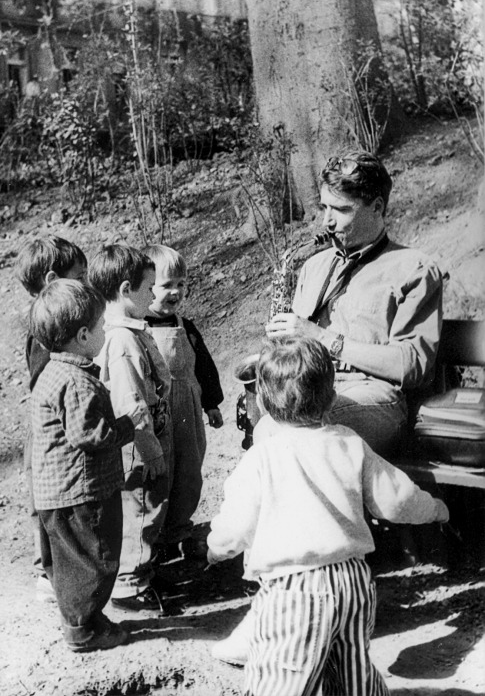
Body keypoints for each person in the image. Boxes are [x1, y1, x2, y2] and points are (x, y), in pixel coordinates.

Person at [207, 337, 449, 696]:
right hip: (352, 581)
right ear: (333, 398)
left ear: (260, 402)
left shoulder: (262, 457)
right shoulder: (349, 442)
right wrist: (435, 509)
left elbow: (235, 525)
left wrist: (216, 548)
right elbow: (396, 499)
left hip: (293, 589)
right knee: (352, 674)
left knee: (281, 678)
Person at [266, 150, 443, 456]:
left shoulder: (414, 268)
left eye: (341, 209)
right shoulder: (314, 266)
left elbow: (413, 366)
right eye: (324, 208)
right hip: (313, 389)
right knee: (268, 428)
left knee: (309, 432)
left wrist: (323, 338)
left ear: (377, 207)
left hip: (373, 394)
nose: (327, 221)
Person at [30, 279, 134, 652]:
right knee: (95, 558)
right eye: (102, 324)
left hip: (54, 491)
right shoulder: (77, 382)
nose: (106, 329)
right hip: (79, 491)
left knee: (72, 561)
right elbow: (92, 435)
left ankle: (83, 618)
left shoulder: (53, 371)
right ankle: (82, 629)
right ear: (84, 334)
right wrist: (128, 425)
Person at [88, 244, 173, 611]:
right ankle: (130, 586)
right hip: (138, 444)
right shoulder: (122, 341)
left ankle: (140, 571)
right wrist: (151, 449)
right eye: (149, 287)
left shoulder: (128, 331)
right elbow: (130, 403)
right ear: (125, 290)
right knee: (141, 509)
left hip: (145, 436)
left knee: (144, 507)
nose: (154, 293)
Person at [15, 235, 87, 603]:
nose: (86, 284)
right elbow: (48, 383)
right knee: (46, 496)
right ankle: (49, 571)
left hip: (54, 419)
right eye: (80, 276)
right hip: (48, 425)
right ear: (51, 280)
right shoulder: (46, 331)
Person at [144, 244, 224, 559]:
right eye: (167, 285)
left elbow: (203, 364)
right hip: (159, 415)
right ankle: (155, 536)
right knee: (163, 472)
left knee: (189, 469)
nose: (176, 292)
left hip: (188, 409)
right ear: (143, 288)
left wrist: (212, 403)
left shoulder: (185, 326)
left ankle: (179, 529)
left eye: (181, 284)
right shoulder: (139, 331)